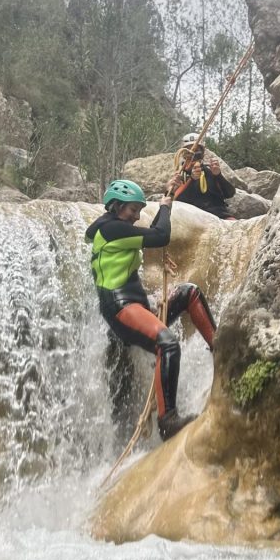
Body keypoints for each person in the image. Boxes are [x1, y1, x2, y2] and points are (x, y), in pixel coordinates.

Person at [85, 177, 217, 441]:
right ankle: (167, 421)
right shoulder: (110, 229)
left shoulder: (116, 227)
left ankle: (220, 349)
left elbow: (155, 235)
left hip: (136, 305)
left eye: (138, 211)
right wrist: (165, 207)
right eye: (132, 210)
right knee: (167, 344)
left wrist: (165, 202)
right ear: (116, 206)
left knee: (190, 292)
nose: (135, 217)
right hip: (121, 306)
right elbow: (161, 235)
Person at [172, 154, 236, 220]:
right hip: (192, 217)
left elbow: (230, 193)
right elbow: (177, 201)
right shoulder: (180, 176)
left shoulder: (210, 171)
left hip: (219, 215)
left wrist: (218, 175)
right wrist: (192, 180)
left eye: (198, 153)